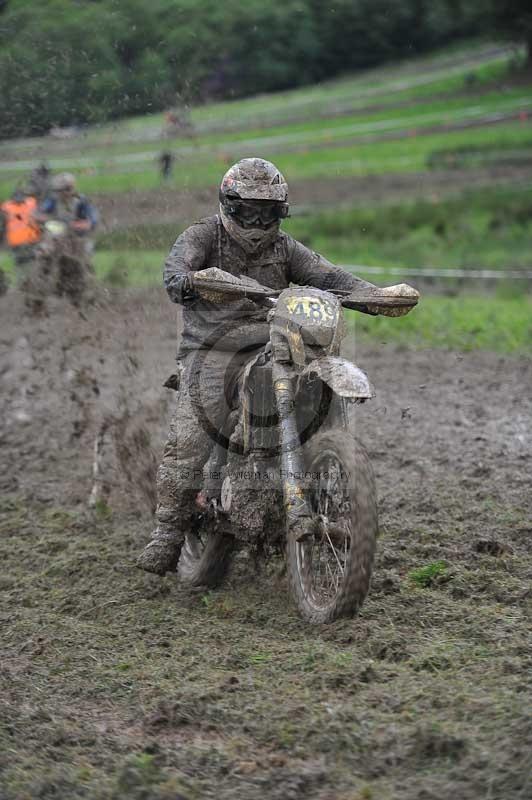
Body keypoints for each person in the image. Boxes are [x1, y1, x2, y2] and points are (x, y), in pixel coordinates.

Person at [137, 157, 394, 576]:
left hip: (272, 341)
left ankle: (323, 467)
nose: (257, 222)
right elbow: (174, 274)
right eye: (247, 211)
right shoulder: (202, 235)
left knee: (312, 378)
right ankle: (168, 530)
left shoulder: (285, 248)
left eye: (268, 212)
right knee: (192, 438)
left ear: (281, 212)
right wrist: (194, 281)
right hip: (211, 350)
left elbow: (329, 276)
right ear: (228, 205)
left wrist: (379, 297)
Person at [0, 188, 42, 279]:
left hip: (31, 239)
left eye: (21, 196)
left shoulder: (31, 203)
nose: (19, 198)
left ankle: (31, 277)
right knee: (20, 261)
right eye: (17, 196)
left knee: (31, 259)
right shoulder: (6, 206)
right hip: (16, 241)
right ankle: (24, 280)